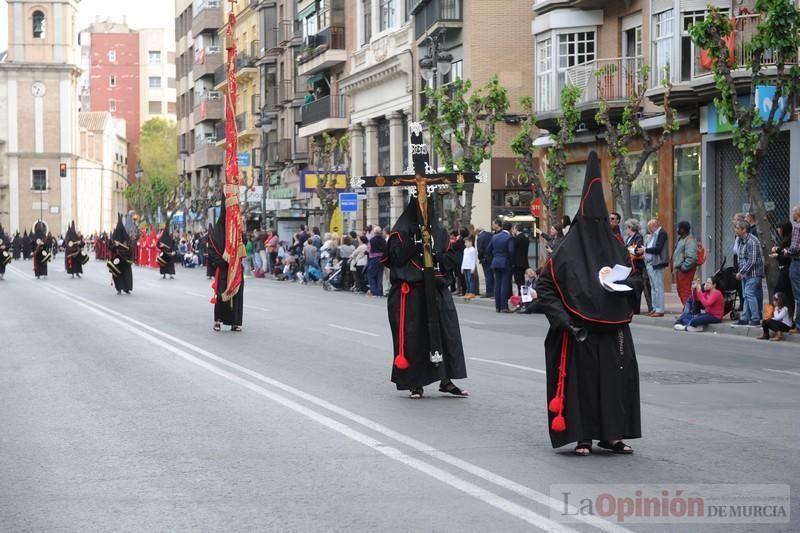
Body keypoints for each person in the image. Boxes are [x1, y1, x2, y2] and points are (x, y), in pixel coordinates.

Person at [536, 151, 640, 456]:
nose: (597, 228)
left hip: (612, 331)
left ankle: (612, 435)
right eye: (592, 221)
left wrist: (627, 282)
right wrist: (564, 320)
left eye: (601, 222)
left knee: (613, 383)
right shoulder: (567, 250)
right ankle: (582, 436)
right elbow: (546, 286)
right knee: (581, 385)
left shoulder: (617, 247)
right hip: (578, 331)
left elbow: (634, 280)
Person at [382, 192, 468, 399]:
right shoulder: (400, 232)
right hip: (412, 293)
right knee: (414, 338)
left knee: (447, 335)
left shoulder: (439, 231)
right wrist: (412, 241)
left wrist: (439, 256)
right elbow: (396, 260)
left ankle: (446, 379)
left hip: (437, 290)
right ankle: (415, 383)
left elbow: (448, 260)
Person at [208, 201, 244, 332]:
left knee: (236, 296)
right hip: (223, 270)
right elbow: (212, 252)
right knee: (221, 295)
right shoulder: (215, 234)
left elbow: (242, 247)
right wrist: (224, 262)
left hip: (236, 269)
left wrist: (235, 261)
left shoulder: (236, 231)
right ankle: (217, 321)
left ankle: (235, 322)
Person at [734, 219, 764, 326]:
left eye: (737, 228)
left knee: (750, 294)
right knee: (746, 295)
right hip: (745, 274)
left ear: (744, 230)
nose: (735, 230)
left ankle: (755, 318)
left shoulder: (752, 241)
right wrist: (740, 272)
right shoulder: (740, 241)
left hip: (754, 273)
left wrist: (741, 272)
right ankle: (746, 317)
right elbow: (741, 258)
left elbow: (752, 259)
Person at [643, 218, 669, 317]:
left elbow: (658, 248)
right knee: (653, 287)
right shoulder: (654, 235)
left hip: (657, 263)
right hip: (650, 263)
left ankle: (659, 309)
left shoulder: (661, 233)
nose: (649, 230)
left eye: (649, 228)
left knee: (658, 287)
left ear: (654, 226)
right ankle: (654, 308)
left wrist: (645, 249)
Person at [770, 222, 796, 321]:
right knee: (787, 294)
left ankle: (772, 316)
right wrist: (778, 251)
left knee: (778, 293)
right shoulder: (786, 239)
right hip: (785, 269)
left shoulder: (790, 240)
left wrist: (778, 254)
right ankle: (785, 318)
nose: (778, 230)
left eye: (779, 228)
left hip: (787, 269)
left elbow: (788, 257)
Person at [488, 221, 514, 313]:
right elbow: (511, 251)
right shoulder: (509, 237)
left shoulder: (494, 236)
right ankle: (504, 307)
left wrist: (495, 256)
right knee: (505, 284)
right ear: (510, 228)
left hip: (495, 261)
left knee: (497, 284)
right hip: (505, 262)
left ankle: (497, 307)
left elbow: (489, 249)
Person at [672, 221, 698, 306]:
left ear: (682, 230)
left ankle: (689, 312)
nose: (677, 229)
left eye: (678, 228)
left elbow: (692, 258)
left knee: (685, 292)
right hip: (680, 271)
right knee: (681, 291)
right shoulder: (682, 239)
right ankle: (686, 311)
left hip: (685, 271)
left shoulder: (689, 240)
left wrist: (684, 267)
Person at [783, 205, 800, 331]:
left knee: (798, 295)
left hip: (797, 262)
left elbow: (794, 248)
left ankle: (798, 324)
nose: (792, 215)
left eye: (793, 212)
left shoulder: (797, 228)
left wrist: (785, 251)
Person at [624, 219, 646, 314]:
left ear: (631, 228)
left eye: (627, 228)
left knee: (636, 287)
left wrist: (628, 249)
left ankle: (635, 309)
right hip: (629, 265)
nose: (626, 230)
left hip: (636, 266)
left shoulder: (638, 237)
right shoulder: (628, 238)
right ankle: (630, 307)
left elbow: (638, 250)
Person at [108, 215, 133, 294]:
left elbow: (130, 248)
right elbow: (110, 247)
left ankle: (126, 288)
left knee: (126, 274)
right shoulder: (114, 238)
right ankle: (119, 288)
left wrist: (126, 250)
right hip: (117, 259)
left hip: (125, 260)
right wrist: (115, 245)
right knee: (118, 274)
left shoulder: (127, 239)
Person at [511, 225, 530, 297]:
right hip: (524, 261)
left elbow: (513, 249)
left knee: (518, 280)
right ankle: (524, 295)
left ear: (516, 229)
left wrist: (513, 237)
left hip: (517, 262)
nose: (513, 230)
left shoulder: (517, 239)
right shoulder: (526, 238)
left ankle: (521, 295)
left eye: (513, 229)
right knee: (522, 279)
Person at [476, 225, 494, 298]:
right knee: (492, 275)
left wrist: (480, 258)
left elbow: (480, 250)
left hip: (485, 259)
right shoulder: (490, 234)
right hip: (492, 257)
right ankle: (493, 292)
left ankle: (489, 292)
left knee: (488, 276)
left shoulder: (480, 237)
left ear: (478, 232)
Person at [367, 227, 386, 296]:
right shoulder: (383, 240)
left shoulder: (371, 240)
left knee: (370, 275)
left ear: (374, 233)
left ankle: (374, 291)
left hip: (374, 258)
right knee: (379, 275)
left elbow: (369, 250)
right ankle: (379, 291)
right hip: (382, 258)